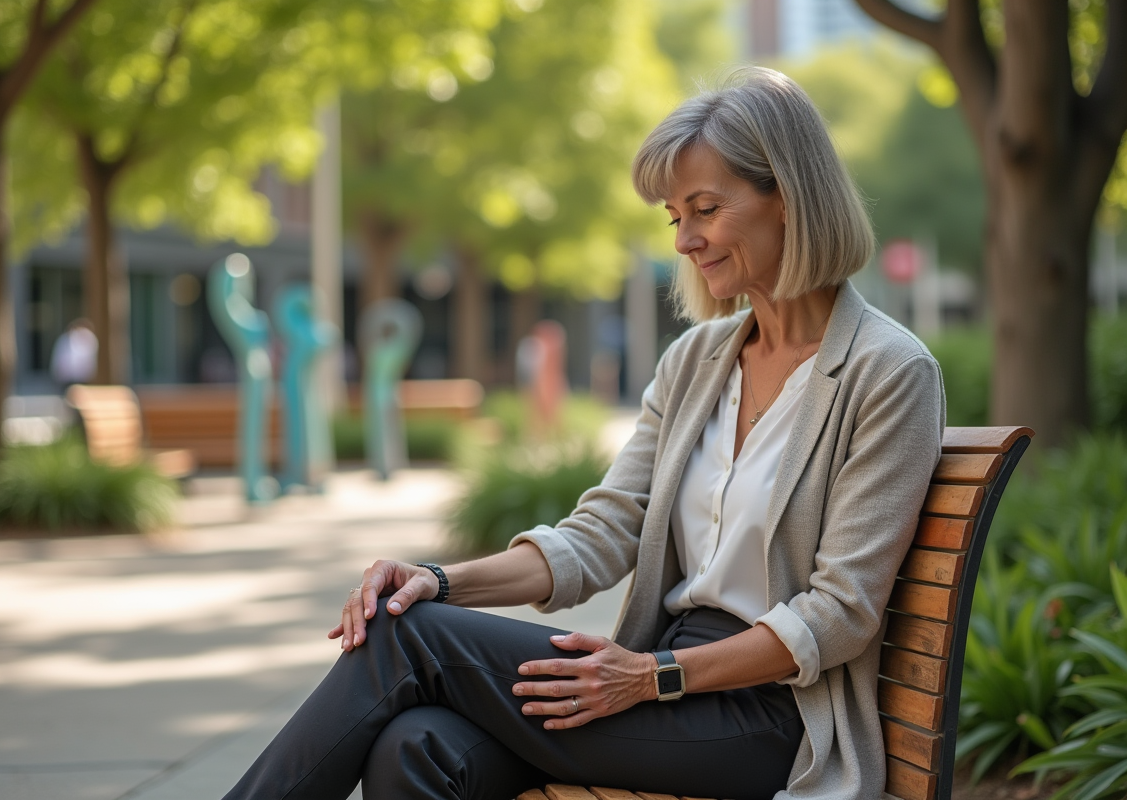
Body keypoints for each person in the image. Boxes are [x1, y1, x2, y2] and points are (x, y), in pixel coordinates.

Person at [223, 67, 945, 800]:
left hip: (769, 713)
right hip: (658, 683)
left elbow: (840, 614)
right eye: (675, 218)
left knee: (404, 635)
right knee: (418, 747)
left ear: (787, 197)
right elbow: (604, 531)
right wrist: (439, 580)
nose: (686, 240)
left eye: (705, 209)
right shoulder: (696, 363)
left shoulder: (886, 373)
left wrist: (651, 677)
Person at [50, 318, 98, 390]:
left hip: (81, 375)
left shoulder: (87, 338)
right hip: (66, 375)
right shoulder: (64, 339)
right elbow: (59, 357)